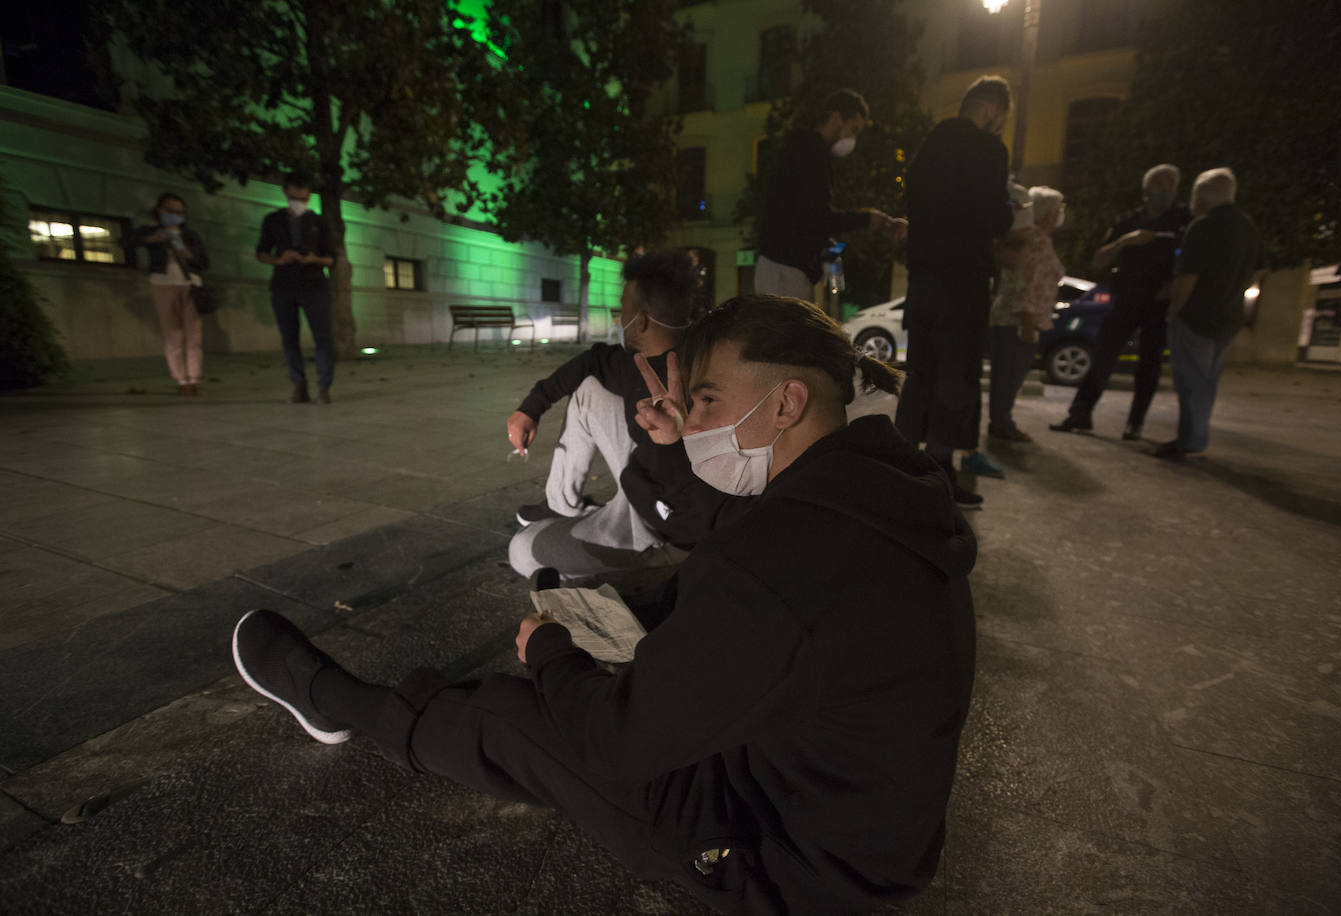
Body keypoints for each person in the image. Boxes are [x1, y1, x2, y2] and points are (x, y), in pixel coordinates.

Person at [231, 294, 976, 915]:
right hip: (857, 826)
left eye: (709, 398)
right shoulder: (880, 496)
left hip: (787, 864)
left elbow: (617, 742)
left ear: (786, 401)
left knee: (522, 725)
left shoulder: (786, 553)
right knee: (632, 627)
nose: (696, 418)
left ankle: (335, 701)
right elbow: (730, 563)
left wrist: (552, 653)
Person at [507, 251, 742, 583]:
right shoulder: (637, 360)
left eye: (622, 310)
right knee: (590, 388)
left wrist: (672, 442)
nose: (619, 318)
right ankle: (562, 504)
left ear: (641, 321)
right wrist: (529, 408)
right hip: (643, 478)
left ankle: (639, 566)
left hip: (668, 522)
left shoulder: (701, 378)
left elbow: (705, 504)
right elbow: (591, 361)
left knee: (521, 549)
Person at [894, 75, 1016, 506]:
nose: (1000, 124)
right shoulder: (988, 151)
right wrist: (1010, 213)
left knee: (920, 371)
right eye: (1001, 116)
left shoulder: (928, 150)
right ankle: (940, 471)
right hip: (963, 279)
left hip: (924, 278)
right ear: (990, 109)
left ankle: (906, 464)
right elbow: (993, 216)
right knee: (956, 375)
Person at [1051, 164, 1193, 438]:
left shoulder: (1184, 220)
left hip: (1159, 303)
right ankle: (1079, 415)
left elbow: (1194, 261)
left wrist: (1174, 288)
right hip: (1126, 299)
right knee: (1103, 356)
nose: (1166, 191)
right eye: (1160, 185)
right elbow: (1099, 259)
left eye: (1171, 185)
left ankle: (1134, 424)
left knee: (1149, 365)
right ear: (1146, 190)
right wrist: (1125, 242)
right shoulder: (1129, 222)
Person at [755, 89, 904, 300]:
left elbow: (804, 215)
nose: (853, 139)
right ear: (836, 117)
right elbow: (816, 217)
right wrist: (867, 219)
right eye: (853, 130)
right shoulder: (811, 153)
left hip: (784, 267)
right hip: (785, 269)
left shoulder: (804, 150)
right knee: (786, 333)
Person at [1154, 167, 1260, 460]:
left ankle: (1188, 440)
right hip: (1228, 317)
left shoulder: (1203, 227)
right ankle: (1196, 438)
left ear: (1199, 198)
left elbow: (1188, 276)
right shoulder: (1247, 227)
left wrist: (1175, 310)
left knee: (1190, 382)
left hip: (1197, 317)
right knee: (1207, 382)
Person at [985, 186, 1066, 445]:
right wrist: (1027, 321)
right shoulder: (1035, 240)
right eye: (1057, 210)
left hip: (1016, 318)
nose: (1060, 215)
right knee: (1008, 378)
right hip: (1017, 320)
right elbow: (1027, 282)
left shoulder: (1036, 238)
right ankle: (1001, 424)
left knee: (1008, 377)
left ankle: (1002, 422)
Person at [256, 174, 336, 404]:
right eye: (293, 197)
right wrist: (280, 259)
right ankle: (299, 385)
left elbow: (331, 259)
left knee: (323, 338)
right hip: (283, 286)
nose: (298, 201)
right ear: (285, 192)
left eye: (303, 197)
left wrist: (314, 259)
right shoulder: (273, 220)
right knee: (289, 338)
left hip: (314, 286)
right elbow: (261, 253)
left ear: (309, 196)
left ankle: (324, 387)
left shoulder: (319, 222)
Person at [126, 193, 210, 395]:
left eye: (179, 212)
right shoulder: (152, 232)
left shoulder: (190, 235)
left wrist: (187, 253)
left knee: (194, 335)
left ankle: (194, 378)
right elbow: (127, 242)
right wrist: (154, 239)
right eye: (169, 211)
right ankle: (181, 380)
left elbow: (205, 262)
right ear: (159, 211)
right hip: (163, 284)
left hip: (191, 286)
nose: (174, 215)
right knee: (172, 334)